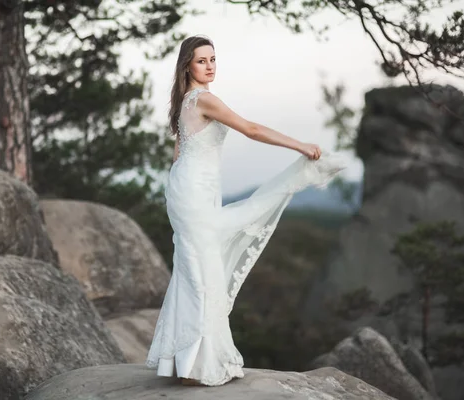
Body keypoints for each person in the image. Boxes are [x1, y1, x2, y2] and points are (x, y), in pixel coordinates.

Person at [145, 35, 346, 386]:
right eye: (202, 61)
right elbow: (251, 129)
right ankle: (197, 364)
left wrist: (185, 188)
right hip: (193, 193)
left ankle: (183, 362)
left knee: (194, 270)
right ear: (187, 66)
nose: (210, 66)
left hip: (189, 189)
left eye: (213, 59)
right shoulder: (204, 99)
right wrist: (299, 145)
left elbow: (179, 153)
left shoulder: (183, 101)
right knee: (203, 271)